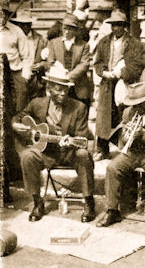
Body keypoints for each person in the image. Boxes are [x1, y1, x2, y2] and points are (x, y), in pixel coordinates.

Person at [11, 64, 95, 223]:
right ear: (49, 88)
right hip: (46, 153)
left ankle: (89, 201)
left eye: (65, 89)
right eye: (58, 89)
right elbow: (21, 115)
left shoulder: (79, 107)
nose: (63, 93)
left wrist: (70, 142)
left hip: (70, 153)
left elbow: (82, 137)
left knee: (84, 155)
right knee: (28, 155)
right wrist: (15, 124)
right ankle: (37, 202)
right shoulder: (37, 103)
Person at [96, 82, 145, 234]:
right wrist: (124, 136)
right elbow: (123, 140)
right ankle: (112, 210)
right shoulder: (128, 112)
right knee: (112, 167)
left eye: (138, 104)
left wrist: (142, 133)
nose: (135, 108)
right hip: (132, 152)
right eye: (133, 104)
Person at [93, 9, 145, 161]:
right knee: (104, 118)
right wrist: (104, 72)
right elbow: (97, 63)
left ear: (124, 26)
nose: (116, 28)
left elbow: (139, 64)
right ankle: (102, 150)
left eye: (119, 25)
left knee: (124, 115)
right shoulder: (104, 42)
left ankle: (125, 148)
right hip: (107, 85)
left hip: (125, 85)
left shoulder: (135, 44)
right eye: (113, 25)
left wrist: (122, 73)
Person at [47, 13, 92, 108]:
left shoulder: (84, 45)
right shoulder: (53, 43)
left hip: (79, 87)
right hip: (59, 87)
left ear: (75, 30)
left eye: (70, 29)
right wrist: (62, 74)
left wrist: (69, 76)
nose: (67, 32)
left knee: (80, 113)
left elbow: (84, 64)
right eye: (65, 28)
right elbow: (51, 61)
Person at [0, 0, 32, 113]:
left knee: (22, 93)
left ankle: (18, 122)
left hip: (14, 70)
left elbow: (26, 56)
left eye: (5, 13)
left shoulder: (16, 31)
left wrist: (25, 75)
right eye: (0, 13)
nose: (2, 16)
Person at [11, 10, 48, 99]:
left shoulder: (40, 39)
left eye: (27, 24)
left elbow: (50, 59)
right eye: (21, 24)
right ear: (17, 25)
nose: (25, 27)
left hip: (36, 80)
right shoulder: (12, 39)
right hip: (18, 78)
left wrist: (41, 64)